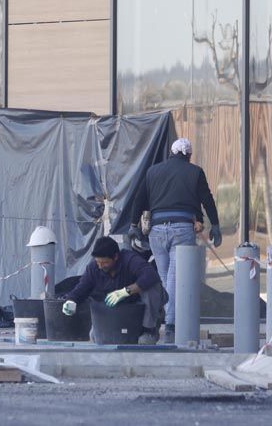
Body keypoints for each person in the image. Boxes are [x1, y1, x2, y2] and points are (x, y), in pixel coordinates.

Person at [130, 137, 220, 344]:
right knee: (174, 279)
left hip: (156, 230)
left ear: (171, 153)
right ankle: (170, 325)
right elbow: (207, 199)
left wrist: (134, 225)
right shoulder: (195, 172)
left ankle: (161, 322)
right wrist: (214, 224)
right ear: (188, 155)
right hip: (182, 229)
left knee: (165, 278)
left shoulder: (153, 171)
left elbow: (139, 198)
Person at [60, 237, 167, 345]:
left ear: (116, 257)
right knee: (95, 336)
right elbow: (82, 288)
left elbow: (150, 275)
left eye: (105, 262)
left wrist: (126, 291)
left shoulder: (130, 260)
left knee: (151, 286)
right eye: (98, 262)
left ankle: (149, 330)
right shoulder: (93, 268)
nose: (100, 266)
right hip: (116, 311)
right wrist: (71, 300)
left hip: (138, 306)